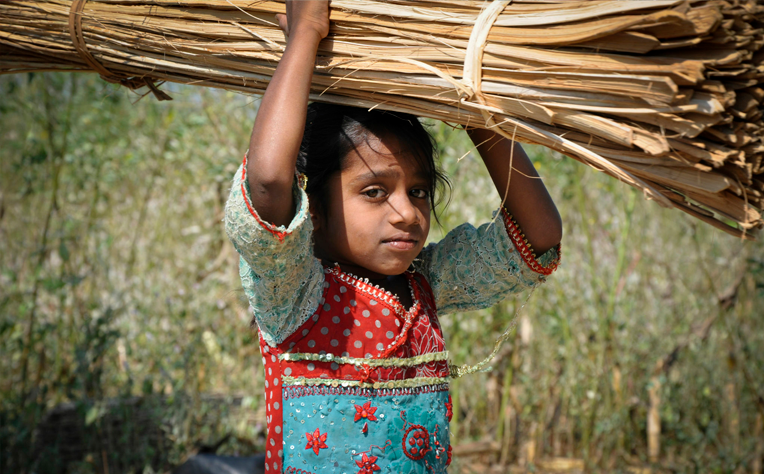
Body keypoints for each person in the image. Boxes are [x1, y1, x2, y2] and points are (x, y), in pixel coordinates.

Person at [224, 2, 562, 473]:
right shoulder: (294, 292)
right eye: (374, 191)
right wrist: (306, 33)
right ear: (315, 207)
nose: (407, 213)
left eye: (419, 190)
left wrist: (472, 110)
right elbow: (268, 183)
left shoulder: (428, 283)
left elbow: (538, 237)